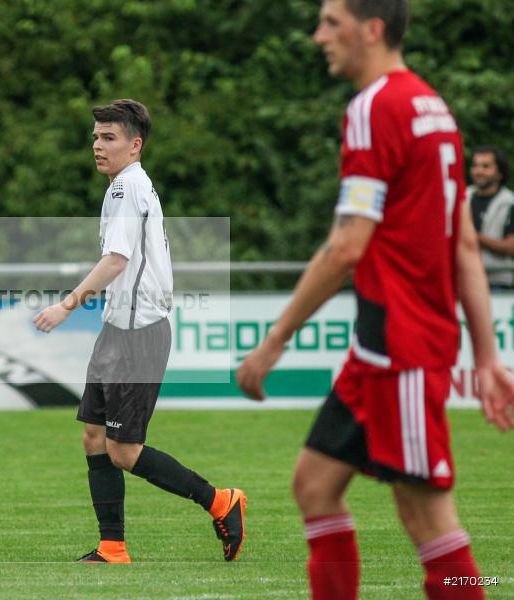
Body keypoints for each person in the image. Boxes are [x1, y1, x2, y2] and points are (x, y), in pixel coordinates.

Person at [236, 1, 514, 598]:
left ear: (372, 29)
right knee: (314, 486)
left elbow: (345, 247)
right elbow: (463, 243)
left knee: (431, 525)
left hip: (402, 349)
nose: (318, 37)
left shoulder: (372, 108)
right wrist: (488, 358)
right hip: (380, 352)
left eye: (330, 23)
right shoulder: (432, 107)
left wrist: (273, 342)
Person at [33, 99, 246, 564]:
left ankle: (220, 501)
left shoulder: (126, 188)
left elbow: (117, 261)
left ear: (135, 145)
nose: (97, 145)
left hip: (139, 333)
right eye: (95, 136)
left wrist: (67, 305)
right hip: (117, 329)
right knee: (94, 436)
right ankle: (112, 546)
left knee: (125, 451)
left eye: (108, 137)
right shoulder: (125, 186)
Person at [467, 145, 514, 288]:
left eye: (486, 166)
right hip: (464, 280)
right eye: (475, 166)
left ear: (500, 173)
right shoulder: (463, 198)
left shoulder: (509, 203)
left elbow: (511, 247)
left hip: (498, 282)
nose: (479, 171)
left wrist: (473, 236)